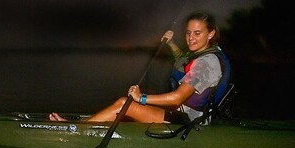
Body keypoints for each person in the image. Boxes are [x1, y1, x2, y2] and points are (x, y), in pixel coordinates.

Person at [49, 11, 225, 124]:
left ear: (210, 34)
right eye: (188, 33)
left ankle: (75, 129)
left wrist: (141, 98)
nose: (191, 38)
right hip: (182, 113)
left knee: (124, 104)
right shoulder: (206, 55)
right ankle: (90, 123)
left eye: (197, 33)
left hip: (190, 120)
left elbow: (176, 99)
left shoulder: (206, 63)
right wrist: (171, 43)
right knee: (125, 109)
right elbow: (183, 61)